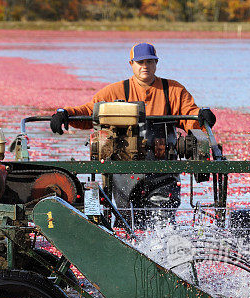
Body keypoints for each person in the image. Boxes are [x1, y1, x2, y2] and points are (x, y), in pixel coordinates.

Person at [50, 42, 216, 226]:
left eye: (149, 62)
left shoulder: (173, 90)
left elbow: (191, 116)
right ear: (132, 64)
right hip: (124, 172)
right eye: (140, 62)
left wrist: (202, 117)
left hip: (164, 171)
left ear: (156, 63)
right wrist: (65, 114)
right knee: (126, 222)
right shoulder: (116, 91)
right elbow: (90, 112)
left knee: (163, 222)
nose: (145, 66)